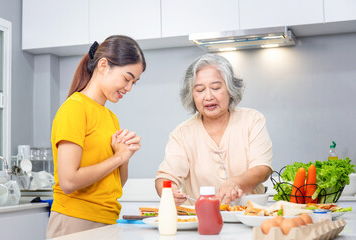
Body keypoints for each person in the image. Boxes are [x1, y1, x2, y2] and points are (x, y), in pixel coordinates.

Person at [46, 35, 146, 238]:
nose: (128, 88)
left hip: (107, 220)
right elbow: (69, 181)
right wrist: (117, 158)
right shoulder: (75, 108)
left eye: (134, 83)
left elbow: (117, 182)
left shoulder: (110, 117)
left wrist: (124, 155)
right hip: (75, 220)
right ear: (103, 65)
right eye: (127, 78)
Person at [155, 54, 273, 206]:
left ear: (230, 89)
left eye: (216, 88)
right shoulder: (182, 133)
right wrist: (168, 190)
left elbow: (262, 168)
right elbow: (166, 177)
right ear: (192, 96)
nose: (208, 96)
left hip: (250, 215)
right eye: (199, 90)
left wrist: (235, 183)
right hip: (202, 220)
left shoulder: (252, 120)